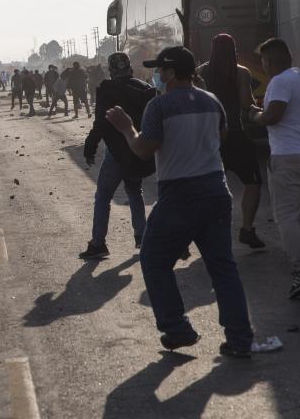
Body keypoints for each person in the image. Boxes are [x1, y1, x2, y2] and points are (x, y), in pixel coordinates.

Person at [107, 46, 253, 358]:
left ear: (172, 72)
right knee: (223, 268)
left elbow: (145, 150)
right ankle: (240, 339)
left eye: (161, 70)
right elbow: (222, 137)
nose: (157, 75)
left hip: (180, 195)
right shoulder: (212, 101)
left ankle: (177, 328)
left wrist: (126, 128)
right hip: (216, 191)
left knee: (154, 260)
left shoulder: (159, 107)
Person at [250, 38, 300, 298]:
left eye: (263, 61)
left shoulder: (280, 81)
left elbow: (273, 116)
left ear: (270, 61)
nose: (263, 65)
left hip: (286, 158)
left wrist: (254, 115)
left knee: (286, 217)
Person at [80, 53, 155, 259]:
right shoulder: (145, 88)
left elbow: (102, 122)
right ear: (130, 68)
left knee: (103, 196)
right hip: (137, 149)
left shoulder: (107, 89)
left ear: (111, 71)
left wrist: (90, 145)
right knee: (134, 190)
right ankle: (142, 236)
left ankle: (98, 243)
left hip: (117, 153)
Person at [197, 34, 265, 249]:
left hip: (210, 138)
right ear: (234, 49)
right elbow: (246, 104)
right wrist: (261, 110)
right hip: (236, 135)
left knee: (210, 186)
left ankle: (208, 231)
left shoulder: (201, 73)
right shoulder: (241, 72)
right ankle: (247, 229)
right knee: (253, 182)